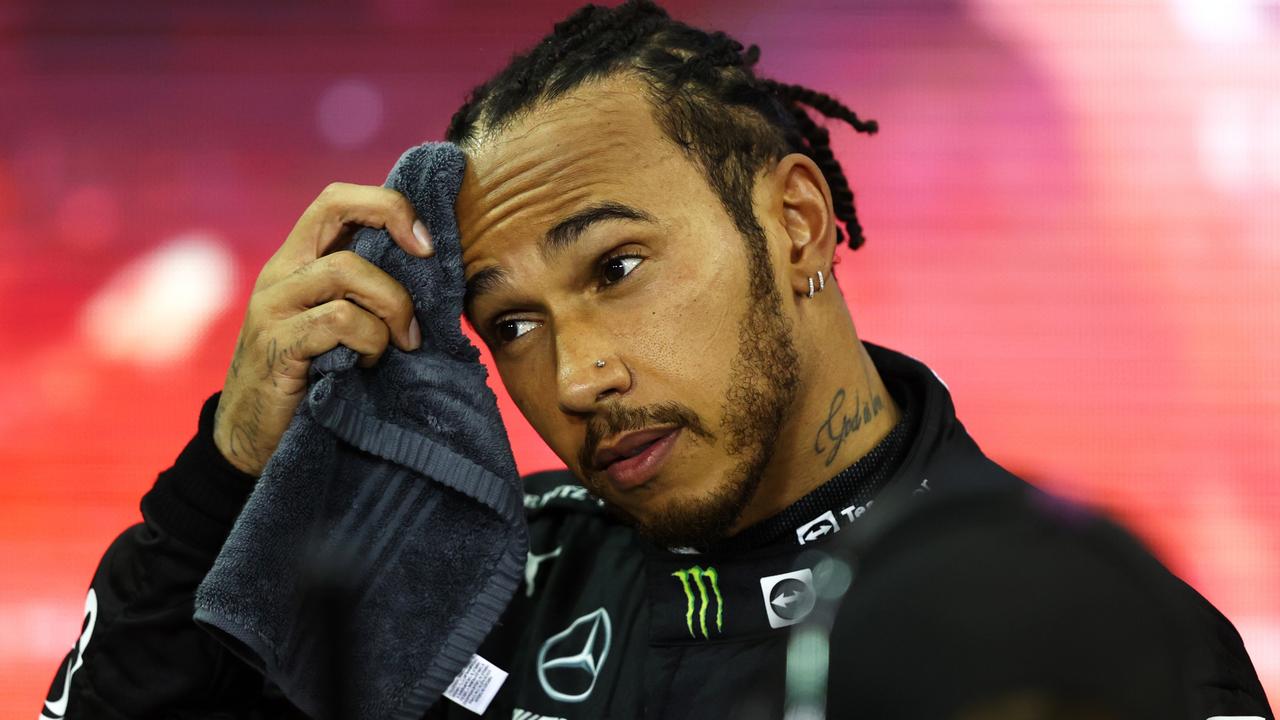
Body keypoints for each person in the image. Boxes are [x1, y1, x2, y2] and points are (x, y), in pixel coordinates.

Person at [41, 2, 1272, 719]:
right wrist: (228, 467)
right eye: (508, 324)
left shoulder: (1075, 628)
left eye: (615, 269)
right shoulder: (458, 580)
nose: (572, 379)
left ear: (793, 226)